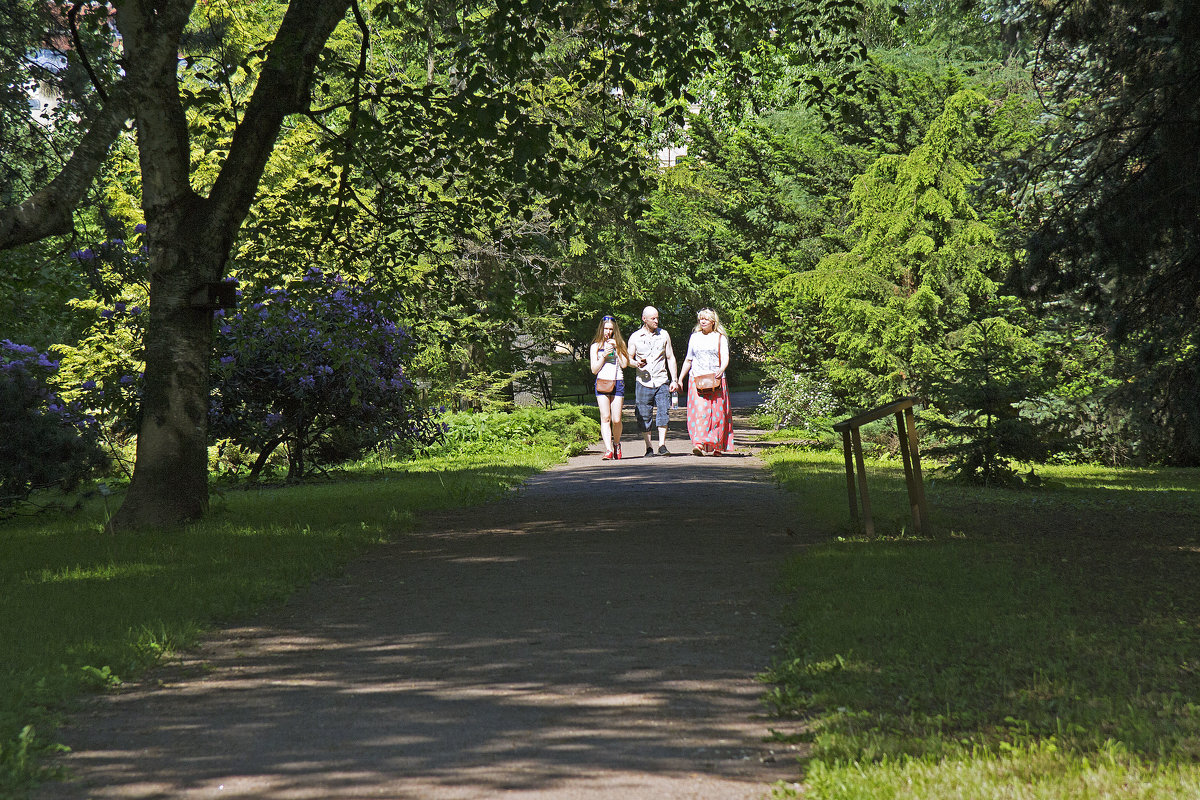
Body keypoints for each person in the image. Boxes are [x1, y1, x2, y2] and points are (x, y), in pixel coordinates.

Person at [678, 307, 734, 456]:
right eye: (701, 318)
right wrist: (680, 378)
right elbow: (688, 359)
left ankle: (717, 445)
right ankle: (699, 444)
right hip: (697, 379)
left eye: (706, 318)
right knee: (700, 412)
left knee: (718, 414)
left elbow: (725, 356)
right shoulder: (695, 337)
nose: (702, 321)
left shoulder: (720, 337)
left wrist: (722, 368)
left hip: (715, 379)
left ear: (713, 321)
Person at [627, 306, 679, 457]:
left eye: (657, 318)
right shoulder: (635, 337)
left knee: (664, 412)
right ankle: (649, 447)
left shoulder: (664, 335)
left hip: (662, 380)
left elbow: (670, 357)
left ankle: (662, 445)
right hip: (643, 382)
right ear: (644, 319)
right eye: (653, 318)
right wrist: (636, 363)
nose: (656, 321)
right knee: (643, 415)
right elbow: (628, 359)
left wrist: (674, 380)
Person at [590, 315, 630, 460]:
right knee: (605, 417)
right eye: (606, 329)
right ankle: (608, 450)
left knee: (616, 419)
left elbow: (625, 364)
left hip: (618, 381)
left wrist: (617, 349)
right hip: (602, 382)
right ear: (601, 329)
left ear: (614, 331)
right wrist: (604, 356)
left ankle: (617, 444)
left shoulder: (619, 343)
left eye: (611, 329)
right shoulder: (595, 346)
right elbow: (594, 370)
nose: (608, 332)